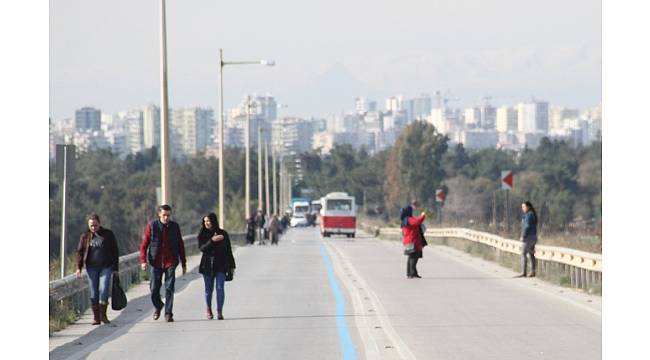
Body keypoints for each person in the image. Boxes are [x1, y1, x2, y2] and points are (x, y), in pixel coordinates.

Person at [140, 205, 187, 322]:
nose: (166, 217)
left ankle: (168, 313)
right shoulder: (152, 226)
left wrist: (183, 262)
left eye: (168, 215)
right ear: (159, 215)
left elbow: (180, 244)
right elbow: (144, 245)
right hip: (155, 262)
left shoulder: (174, 227)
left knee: (169, 288)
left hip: (170, 261)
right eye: (164, 215)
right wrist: (143, 261)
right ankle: (158, 305)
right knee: (154, 288)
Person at [75, 214, 119, 325]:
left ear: (99, 223)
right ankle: (96, 317)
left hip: (106, 266)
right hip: (91, 268)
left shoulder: (108, 234)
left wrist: (115, 268)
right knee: (94, 292)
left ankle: (103, 314)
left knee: (103, 289)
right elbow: (80, 252)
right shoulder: (85, 236)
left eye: (95, 225)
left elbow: (115, 251)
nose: (93, 227)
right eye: (91, 225)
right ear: (88, 225)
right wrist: (78, 268)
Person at [198, 213, 236, 320]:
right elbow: (202, 248)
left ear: (214, 221)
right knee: (208, 290)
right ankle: (208, 309)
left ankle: (219, 311)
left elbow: (229, 250)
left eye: (209, 221)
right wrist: (212, 241)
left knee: (220, 288)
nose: (207, 223)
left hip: (221, 264)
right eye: (205, 222)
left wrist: (232, 266)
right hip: (207, 265)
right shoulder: (202, 234)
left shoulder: (223, 234)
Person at [401, 204, 427, 279]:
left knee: (411, 257)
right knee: (414, 257)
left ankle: (411, 273)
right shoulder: (409, 219)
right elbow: (417, 221)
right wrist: (423, 216)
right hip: (413, 240)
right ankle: (412, 273)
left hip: (409, 240)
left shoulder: (405, 220)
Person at [516, 201, 538, 278]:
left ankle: (523, 272)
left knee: (523, 253)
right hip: (533, 237)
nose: (522, 208)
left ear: (528, 207)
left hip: (528, 237)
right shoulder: (532, 214)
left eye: (523, 207)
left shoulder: (529, 215)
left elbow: (527, 226)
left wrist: (523, 235)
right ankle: (532, 271)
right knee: (531, 254)